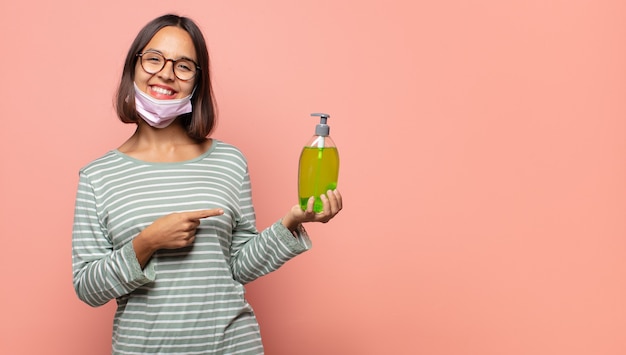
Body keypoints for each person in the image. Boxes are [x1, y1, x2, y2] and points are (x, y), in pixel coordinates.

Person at [71, 14, 342, 355]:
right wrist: (147, 242)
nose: (166, 73)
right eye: (154, 58)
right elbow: (88, 288)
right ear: (133, 67)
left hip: (231, 346)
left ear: (197, 82)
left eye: (183, 66)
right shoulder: (98, 176)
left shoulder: (229, 161)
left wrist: (292, 222)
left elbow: (239, 266)